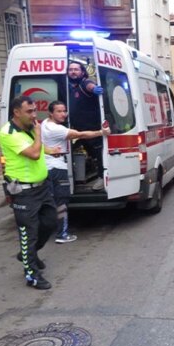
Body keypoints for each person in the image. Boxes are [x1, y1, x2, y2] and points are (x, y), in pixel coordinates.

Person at [0, 96, 61, 290]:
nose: (34, 115)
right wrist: (39, 133)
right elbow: (33, 153)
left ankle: (28, 254)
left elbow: (38, 149)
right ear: (16, 112)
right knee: (29, 234)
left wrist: (50, 150)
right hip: (24, 192)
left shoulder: (28, 129)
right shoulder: (9, 133)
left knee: (51, 222)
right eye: (29, 111)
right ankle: (32, 276)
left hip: (42, 188)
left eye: (35, 110)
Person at [42, 100, 111, 244]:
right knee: (62, 202)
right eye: (59, 111)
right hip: (57, 168)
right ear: (51, 113)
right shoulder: (56, 129)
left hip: (46, 167)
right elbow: (81, 135)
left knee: (50, 201)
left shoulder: (44, 124)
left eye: (64, 111)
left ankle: (45, 231)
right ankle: (62, 234)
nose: (63, 114)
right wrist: (101, 132)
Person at [66, 61, 105, 190]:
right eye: (70, 69)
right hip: (77, 130)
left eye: (76, 69)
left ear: (82, 72)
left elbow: (90, 85)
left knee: (98, 154)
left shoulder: (84, 83)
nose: (73, 72)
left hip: (92, 129)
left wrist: (94, 89)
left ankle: (102, 177)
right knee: (80, 152)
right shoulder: (71, 87)